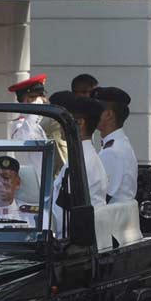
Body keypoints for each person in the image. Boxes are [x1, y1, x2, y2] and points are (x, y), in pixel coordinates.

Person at [52, 96, 107, 237]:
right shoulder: (83, 157)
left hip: (70, 242)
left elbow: (62, 215)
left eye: (63, 121)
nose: (60, 126)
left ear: (79, 123)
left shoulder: (82, 163)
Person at [92, 87, 138, 203]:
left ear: (108, 115)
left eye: (95, 111)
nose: (90, 115)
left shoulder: (112, 151)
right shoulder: (118, 144)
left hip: (111, 218)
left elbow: (101, 197)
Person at [8, 74, 48, 173]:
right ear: (26, 100)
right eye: (35, 98)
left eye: (41, 97)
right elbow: (23, 140)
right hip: (31, 180)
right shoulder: (18, 125)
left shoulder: (41, 122)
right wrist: (35, 110)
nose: (43, 100)